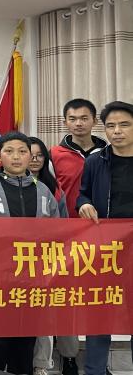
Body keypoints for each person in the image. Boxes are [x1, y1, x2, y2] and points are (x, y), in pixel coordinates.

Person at [0, 132, 59, 375]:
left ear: (31, 156)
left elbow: (57, 234)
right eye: (9, 151)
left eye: (22, 151)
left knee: (25, 344)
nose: (16, 157)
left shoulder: (43, 191)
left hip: (32, 281)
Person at [76, 101, 133, 375]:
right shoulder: (95, 161)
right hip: (105, 250)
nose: (116, 131)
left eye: (124, 125)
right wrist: (84, 204)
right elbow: (82, 194)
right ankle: (94, 371)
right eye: (111, 126)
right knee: (100, 314)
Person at [28, 137, 77, 375]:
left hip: (49, 258)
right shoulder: (2, 186)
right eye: (30, 154)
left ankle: (48, 363)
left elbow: (63, 225)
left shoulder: (54, 189)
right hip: (16, 259)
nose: (34, 160)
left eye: (39, 155)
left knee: (51, 310)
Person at [50, 98, 107, 218]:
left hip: (104, 222)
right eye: (72, 119)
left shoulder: (108, 153)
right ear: (65, 123)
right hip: (67, 222)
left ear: (95, 121)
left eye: (84, 118)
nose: (78, 123)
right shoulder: (53, 154)